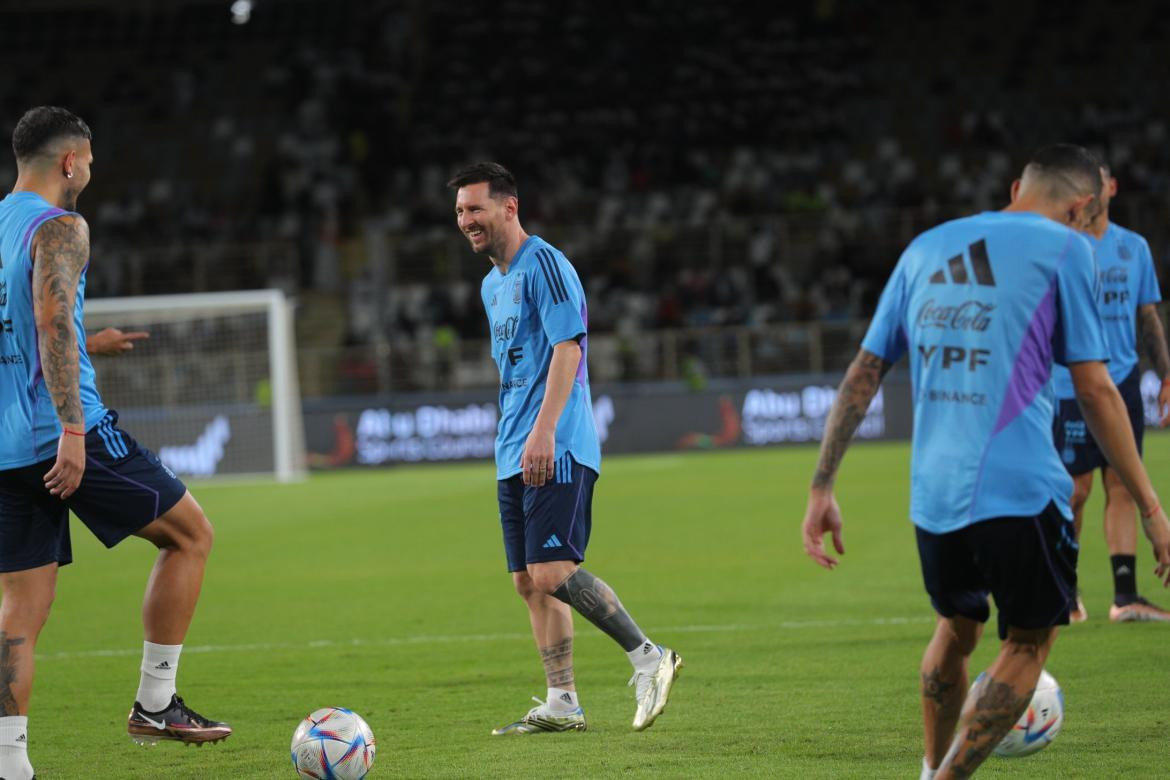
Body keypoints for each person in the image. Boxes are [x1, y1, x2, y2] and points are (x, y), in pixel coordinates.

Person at [799, 144, 1170, 780]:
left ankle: (927, 767)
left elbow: (865, 370)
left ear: (1015, 186)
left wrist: (822, 487)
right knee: (1028, 640)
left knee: (956, 626)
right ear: (1084, 206)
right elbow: (1095, 388)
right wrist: (1153, 507)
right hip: (1021, 490)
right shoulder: (1069, 250)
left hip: (934, 492)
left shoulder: (926, 245)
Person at [0, 106, 230, 780]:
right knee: (190, 535)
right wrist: (73, 430)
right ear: (69, 160)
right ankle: (156, 704)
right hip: (65, 433)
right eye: (90, 161)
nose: (91, 173)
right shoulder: (62, 226)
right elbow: (49, 321)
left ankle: (9, 764)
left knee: (20, 610)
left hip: (6, 446)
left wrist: (85, 340)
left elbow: (27, 323)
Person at [448, 162, 682, 734]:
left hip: (555, 443)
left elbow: (569, 348)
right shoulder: (490, 284)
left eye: (476, 208)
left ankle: (649, 657)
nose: (466, 221)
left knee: (552, 570)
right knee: (528, 581)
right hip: (515, 448)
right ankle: (563, 702)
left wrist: (545, 428)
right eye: (459, 211)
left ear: (509, 206)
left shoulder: (546, 265)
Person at [1050, 166, 1170, 622]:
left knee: (1121, 485)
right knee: (1074, 490)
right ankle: (1065, 594)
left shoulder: (1133, 247)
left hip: (1123, 379)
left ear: (1112, 188)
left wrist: (1165, 375)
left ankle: (1125, 597)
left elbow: (1148, 318)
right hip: (1071, 383)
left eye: (1097, 182)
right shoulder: (1062, 246)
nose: (1090, 192)